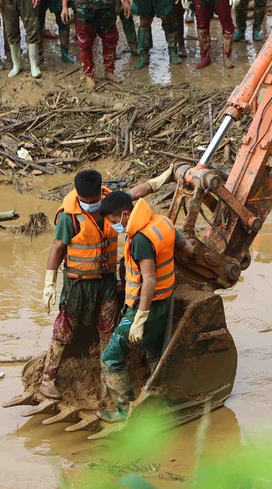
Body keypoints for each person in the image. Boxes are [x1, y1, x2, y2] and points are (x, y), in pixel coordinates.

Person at [38, 167, 174, 401]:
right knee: (63, 329)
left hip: (106, 282)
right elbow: (57, 247)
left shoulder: (112, 205)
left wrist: (161, 180)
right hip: (77, 285)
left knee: (107, 330)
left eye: (94, 201)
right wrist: (49, 282)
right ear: (78, 196)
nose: (92, 205)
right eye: (86, 202)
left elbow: (136, 192)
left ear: (101, 194)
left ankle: (105, 382)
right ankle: (47, 379)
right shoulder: (69, 216)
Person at [97, 190, 177, 422]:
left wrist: (139, 319)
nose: (113, 227)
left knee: (111, 357)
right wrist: (155, 182)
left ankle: (124, 410)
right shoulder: (161, 223)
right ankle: (164, 396)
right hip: (164, 303)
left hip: (145, 308)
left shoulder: (140, 239)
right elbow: (182, 245)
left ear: (124, 215)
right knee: (153, 349)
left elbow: (149, 279)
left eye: (113, 222)